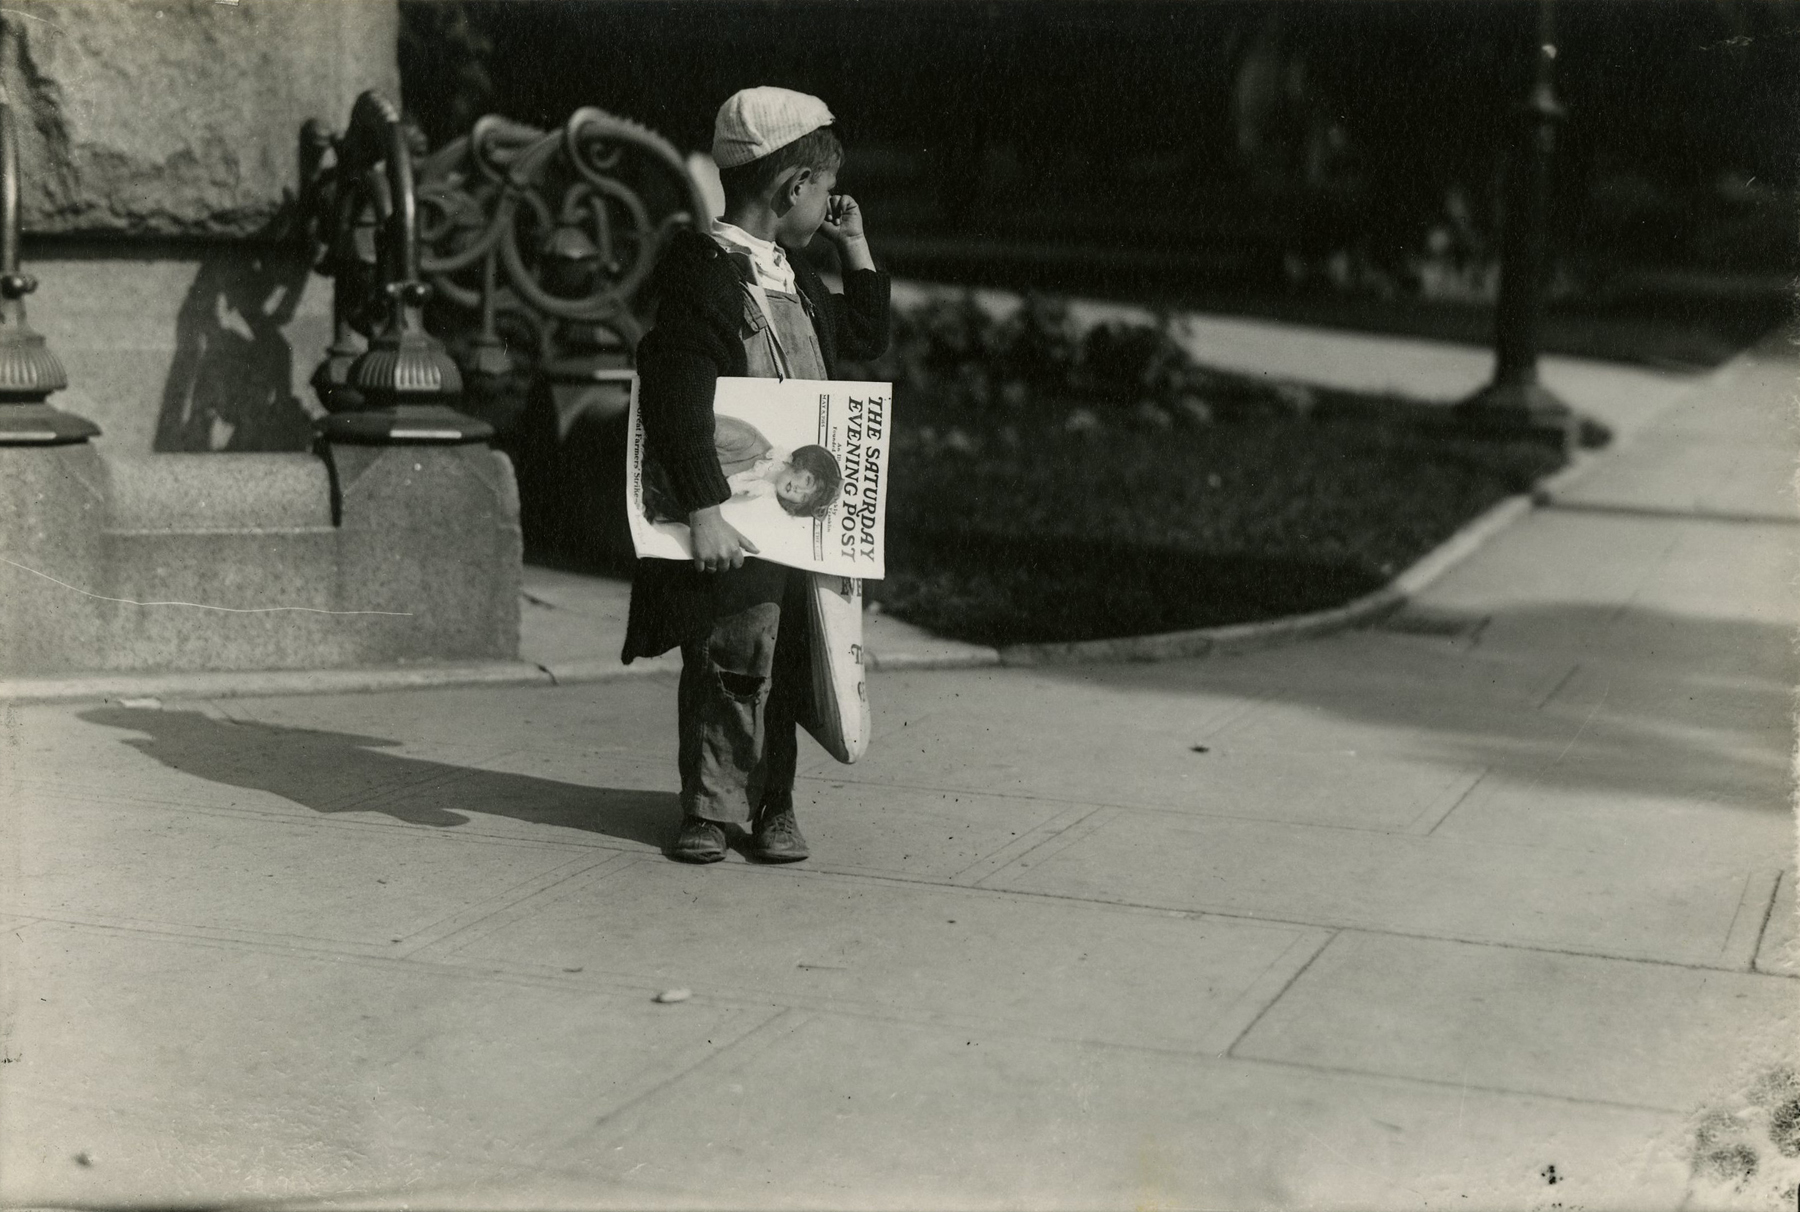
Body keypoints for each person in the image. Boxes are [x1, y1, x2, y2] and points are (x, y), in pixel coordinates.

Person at [623, 86, 890, 864]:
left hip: (796, 519)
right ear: (792, 188)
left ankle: (775, 802)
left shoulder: (795, 278)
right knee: (729, 658)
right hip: (734, 521)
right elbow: (676, 394)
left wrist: (856, 249)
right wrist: (705, 507)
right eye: (825, 189)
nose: (832, 204)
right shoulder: (705, 272)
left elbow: (866, 335)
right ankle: (708, 808)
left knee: (788, 666)